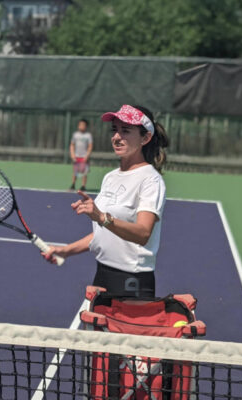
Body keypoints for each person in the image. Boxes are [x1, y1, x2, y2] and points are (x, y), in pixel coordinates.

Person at [45, 105, 169, 298]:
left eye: (125, 131)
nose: (116, 137)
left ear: (145, 138)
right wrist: (65, 251)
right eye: (115, 130)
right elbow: (103, 234)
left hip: (132, 281)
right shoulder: (110, 178)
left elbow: (143, 233)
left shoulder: (150, 180)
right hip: (103, 275)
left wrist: (101, 217)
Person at [69, 119, 93, 191]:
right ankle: (73, 185)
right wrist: (72, 155)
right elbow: (72, 145)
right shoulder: (75, 135)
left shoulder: (88, 135)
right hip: (77, 156)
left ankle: (83, 186)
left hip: (84, 157)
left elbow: (90, 146)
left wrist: (87, 156)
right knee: (75, 171)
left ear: (86, 126)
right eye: (80, 125)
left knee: (84, 172)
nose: (81, 126)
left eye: (83, 125)